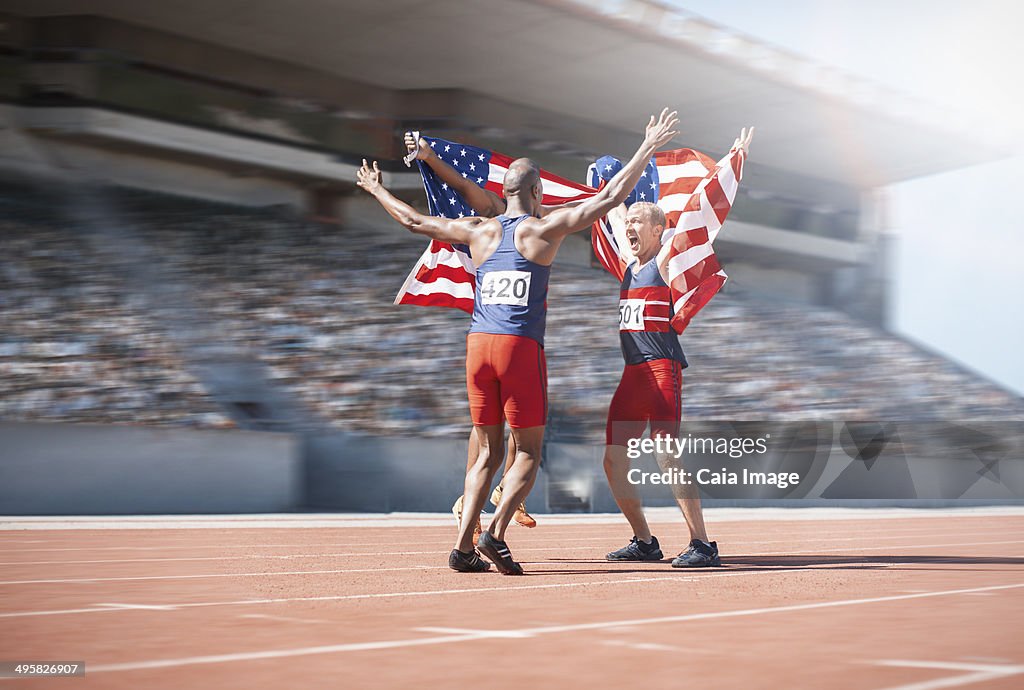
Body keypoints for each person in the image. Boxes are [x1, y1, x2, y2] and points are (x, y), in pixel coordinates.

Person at [356, 108, 679, 574]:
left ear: (502, 193)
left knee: (485, 450)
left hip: (476, 346)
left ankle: (463, 548)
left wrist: (375, 188)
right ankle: (495, 533)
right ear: (537, 192)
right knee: (526, 450)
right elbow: (609, 197)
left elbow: (413, 221)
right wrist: (647, 145)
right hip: (519, 347)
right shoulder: (542, 229)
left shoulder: (478, 229)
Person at [603, 127, 754, 568]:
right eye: (627, 223)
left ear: (656, 229)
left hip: (660, 368)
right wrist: (638, 153)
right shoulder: (628, 265)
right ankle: (645, 541)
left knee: (666, 451)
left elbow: (701, 216)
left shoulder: (666, 260)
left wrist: (734, 160)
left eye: (637, 224)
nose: (628, 228)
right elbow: (612, 203)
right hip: (631, 373)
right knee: (613, 461)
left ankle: (703, 544)